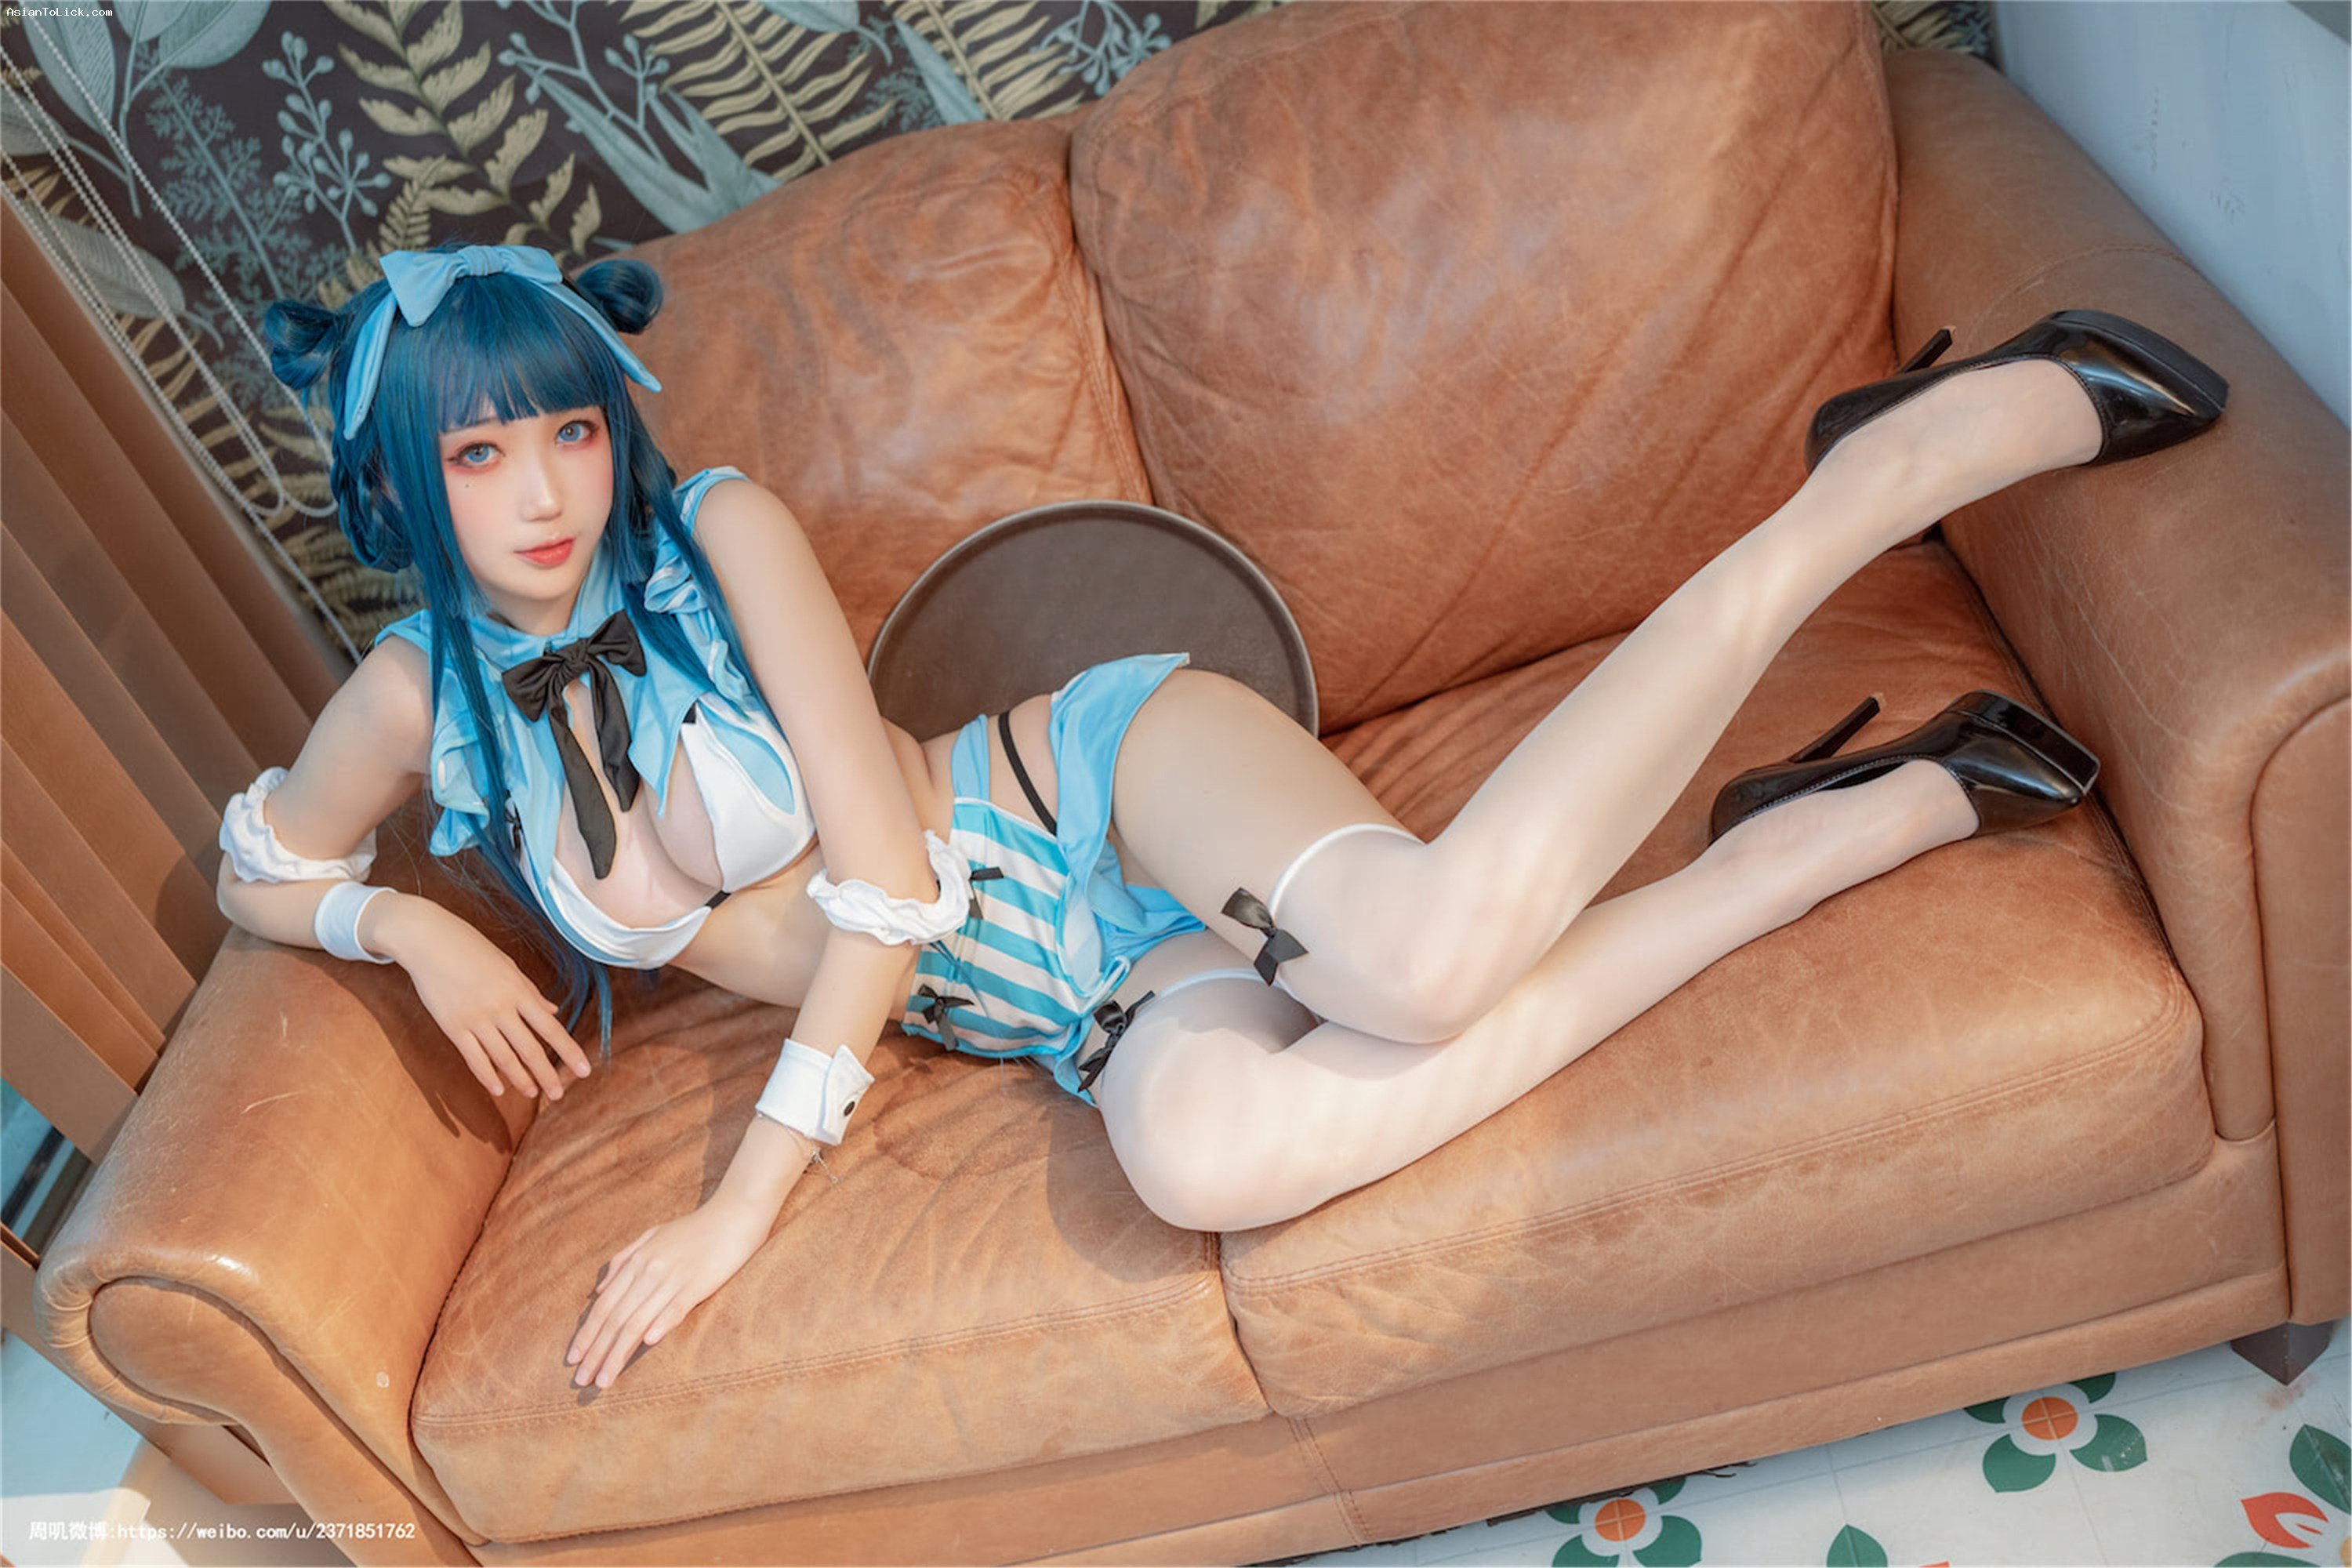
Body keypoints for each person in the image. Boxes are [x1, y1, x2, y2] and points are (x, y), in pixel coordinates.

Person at [221, 242, 2227, 1393]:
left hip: (1097, 785)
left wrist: (736, 1207)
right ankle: (1783, 836)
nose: (546, 493)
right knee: (1205, 1158)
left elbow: (890, 880)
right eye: (480, 453)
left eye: (572, 429)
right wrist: (406, 922)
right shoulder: (410, 704)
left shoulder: (720, 536)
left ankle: (1864, 496)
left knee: (1418, 965)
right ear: (405, 476)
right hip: (1057, 1001)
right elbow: (261, 865)